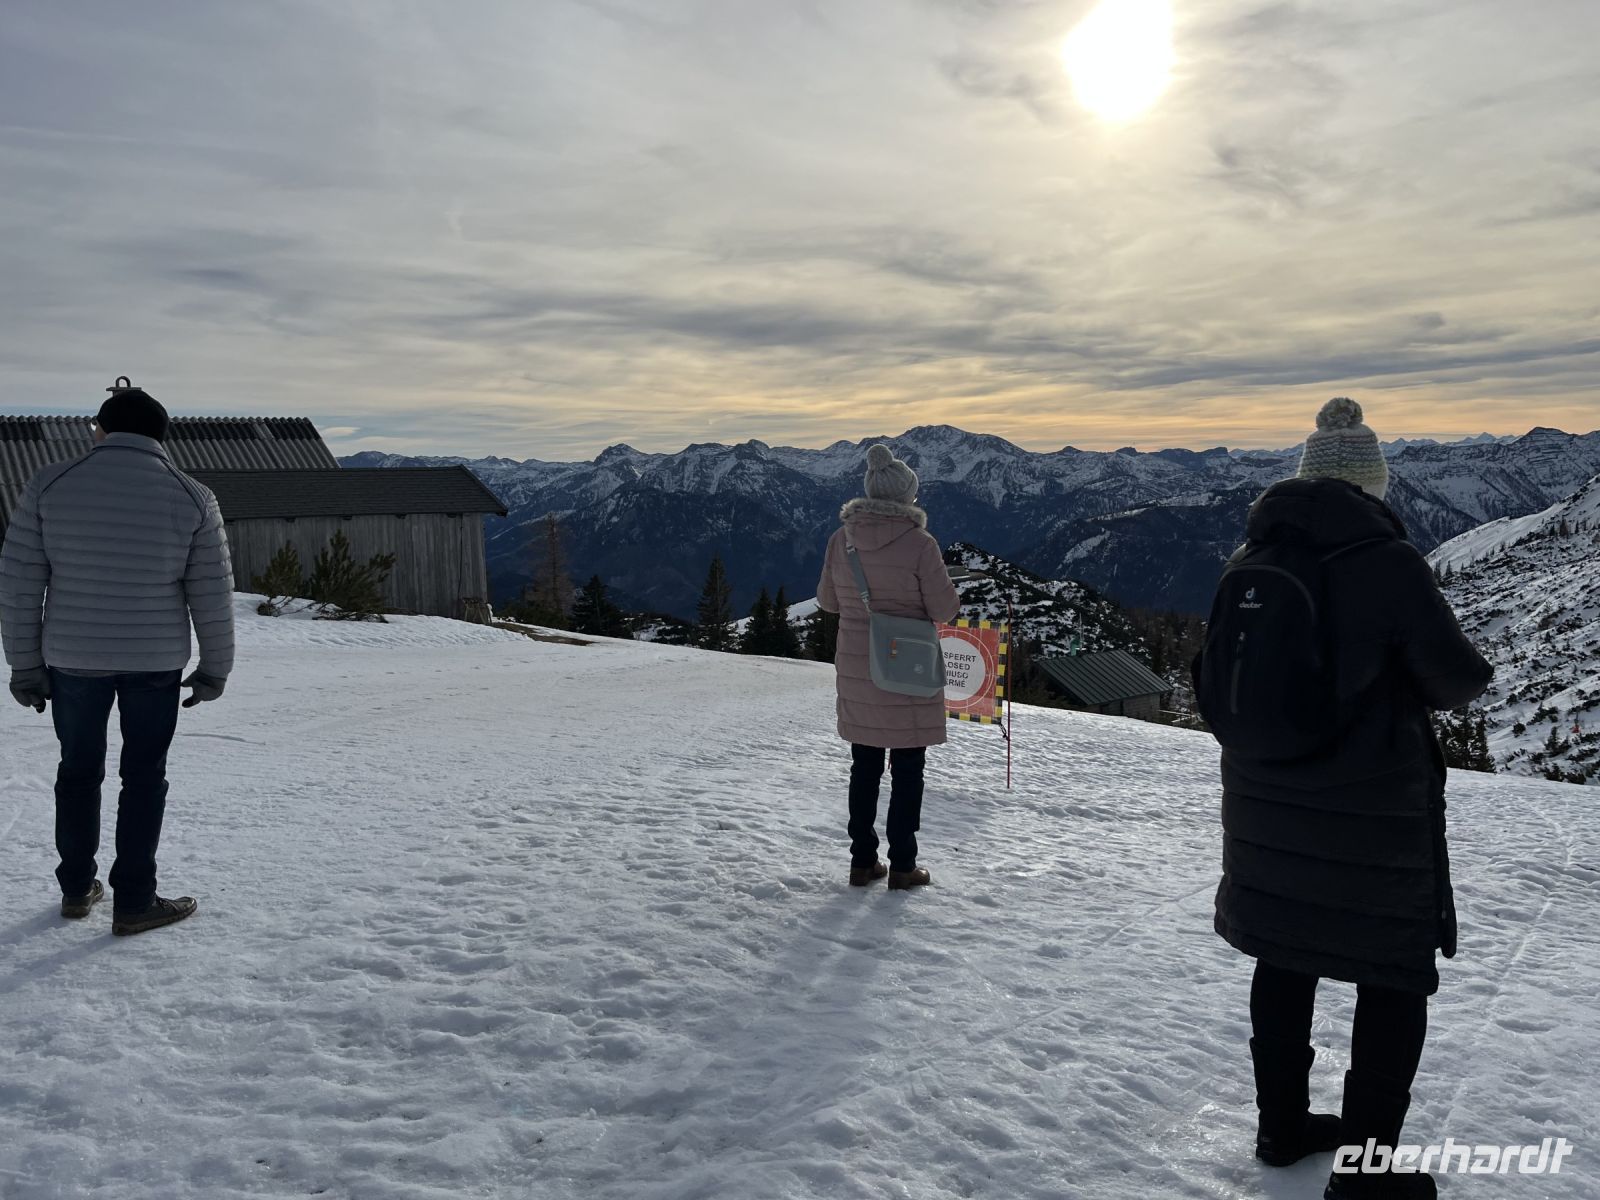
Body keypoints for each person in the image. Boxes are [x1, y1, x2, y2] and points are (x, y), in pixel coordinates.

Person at [1198, 398, 1492, 1199]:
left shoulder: (1245, 559)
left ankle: (1281, 1128)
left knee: (1284, 956)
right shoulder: (1388, 564)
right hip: (1371, 819)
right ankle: (1367, 1176)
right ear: (1373, 486)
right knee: (1390, 977)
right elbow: (1456, 679)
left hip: (1263, 808)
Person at [0, 378, 235, 936]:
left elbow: (20, 583)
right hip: (154, 664)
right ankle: (134, 900)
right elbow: (212, 593)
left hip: (72, 660)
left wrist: (24, 665)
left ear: (100, 430)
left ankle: (77, 888)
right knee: (144, 777)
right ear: (161, 435)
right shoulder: (192, 495)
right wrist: (214, 669)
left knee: (78, 773)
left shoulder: (49, 484)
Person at [816, 444, 960, 890]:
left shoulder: (842, 539)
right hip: (908, 669)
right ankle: (903, 865)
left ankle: (862, 862)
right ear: (907, 497)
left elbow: (827, 601)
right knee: (909, 769)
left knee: (864, 767)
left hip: (860, 667)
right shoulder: (920, 543)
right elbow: (945, 608)